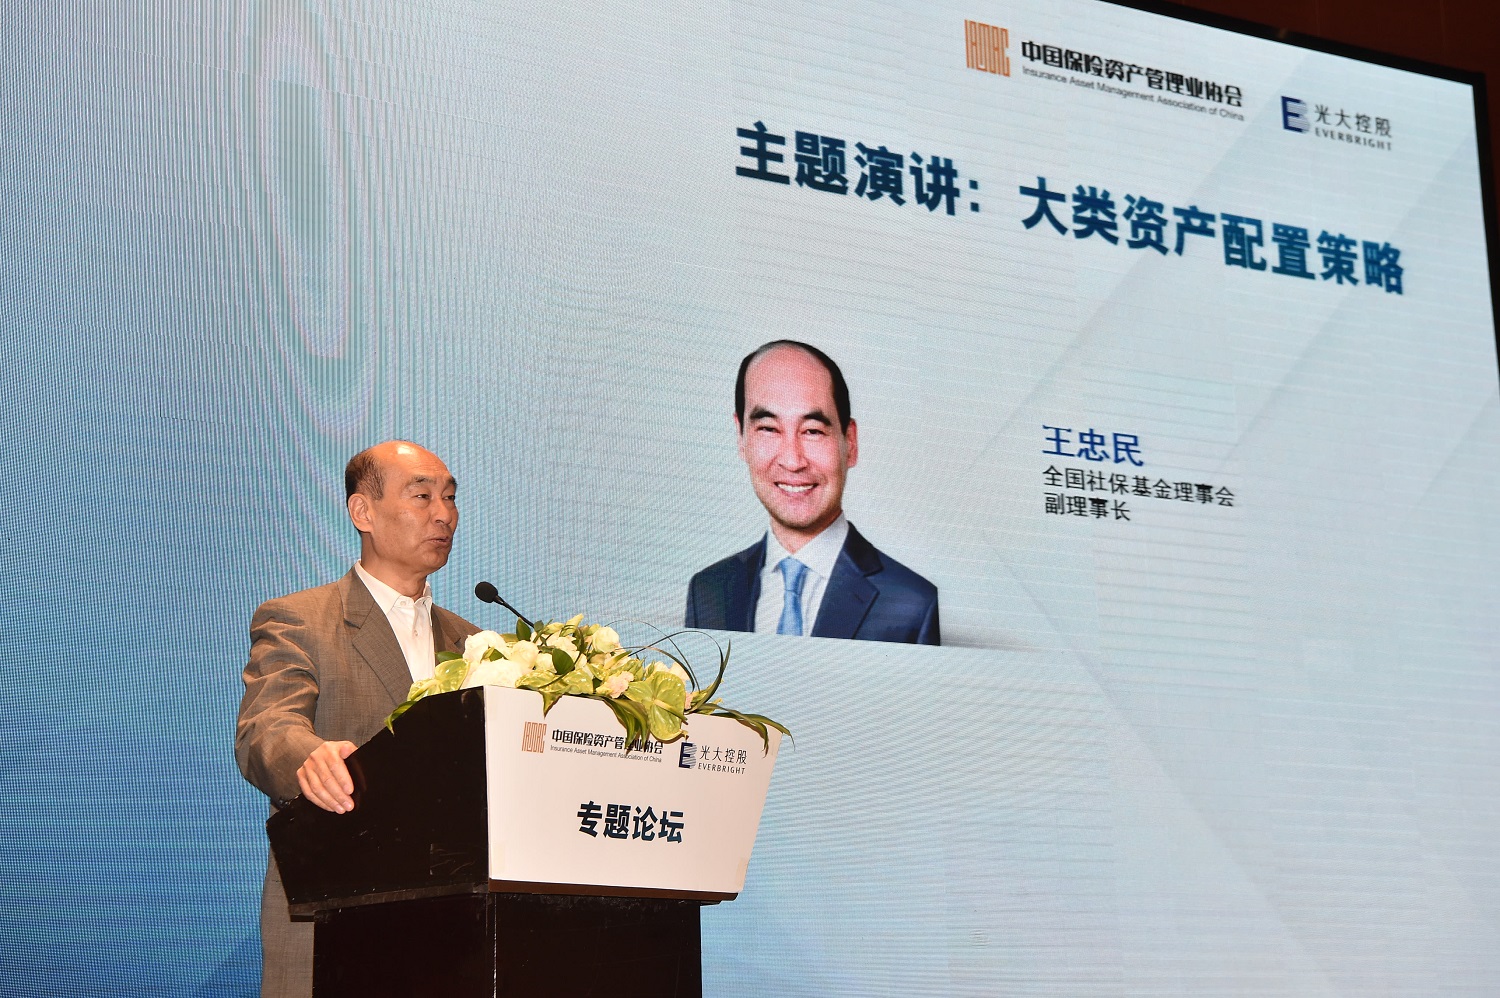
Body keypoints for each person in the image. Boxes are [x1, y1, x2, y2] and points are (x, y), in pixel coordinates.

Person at [236, 441, 479, 997]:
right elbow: (266, 728)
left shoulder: (473, 644)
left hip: (455, 931)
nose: (443, 514)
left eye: (449, 498)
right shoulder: (301, 619)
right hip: (338, 921)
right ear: (362, 512)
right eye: (421, 496)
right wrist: (311, 758)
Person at [685, 341, 939, 644]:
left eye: (813, 431)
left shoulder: (913, 604)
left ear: (850, 443)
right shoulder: (708, 592)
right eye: (768, 429)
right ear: (741, 438)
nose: (793, 461)